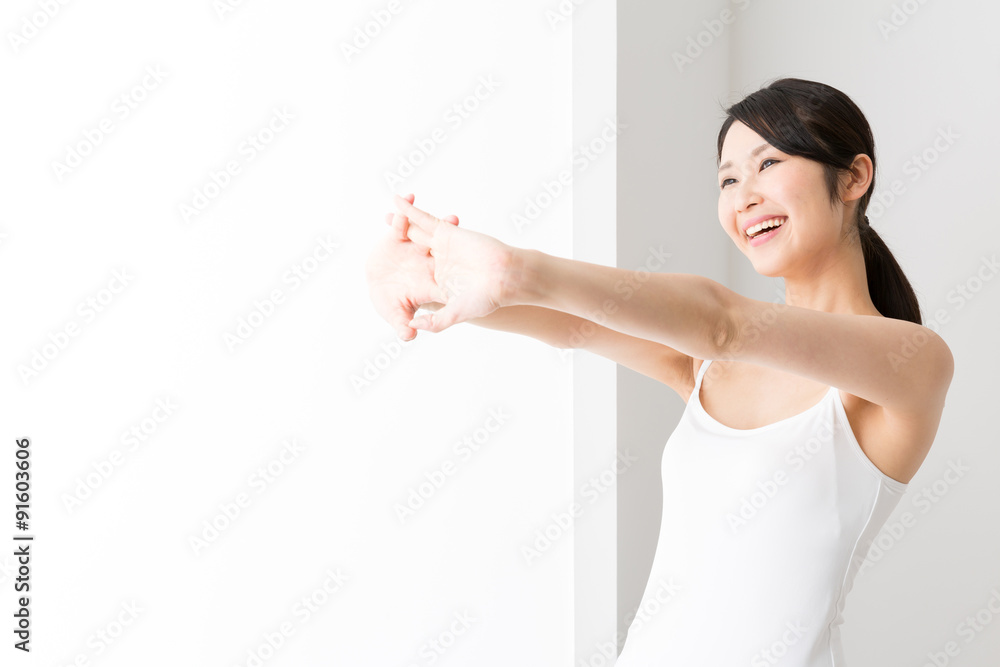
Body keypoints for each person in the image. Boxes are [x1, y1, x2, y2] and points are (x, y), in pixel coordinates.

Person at [365, 77, 954, 665]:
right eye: (727, 180)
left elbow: (724, 322)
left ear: (853, 177)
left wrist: (516, 270)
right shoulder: (709, 369)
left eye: (768, 164)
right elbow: (572, 324)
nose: (743, 197)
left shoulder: (913, 362)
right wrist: (432, 281)